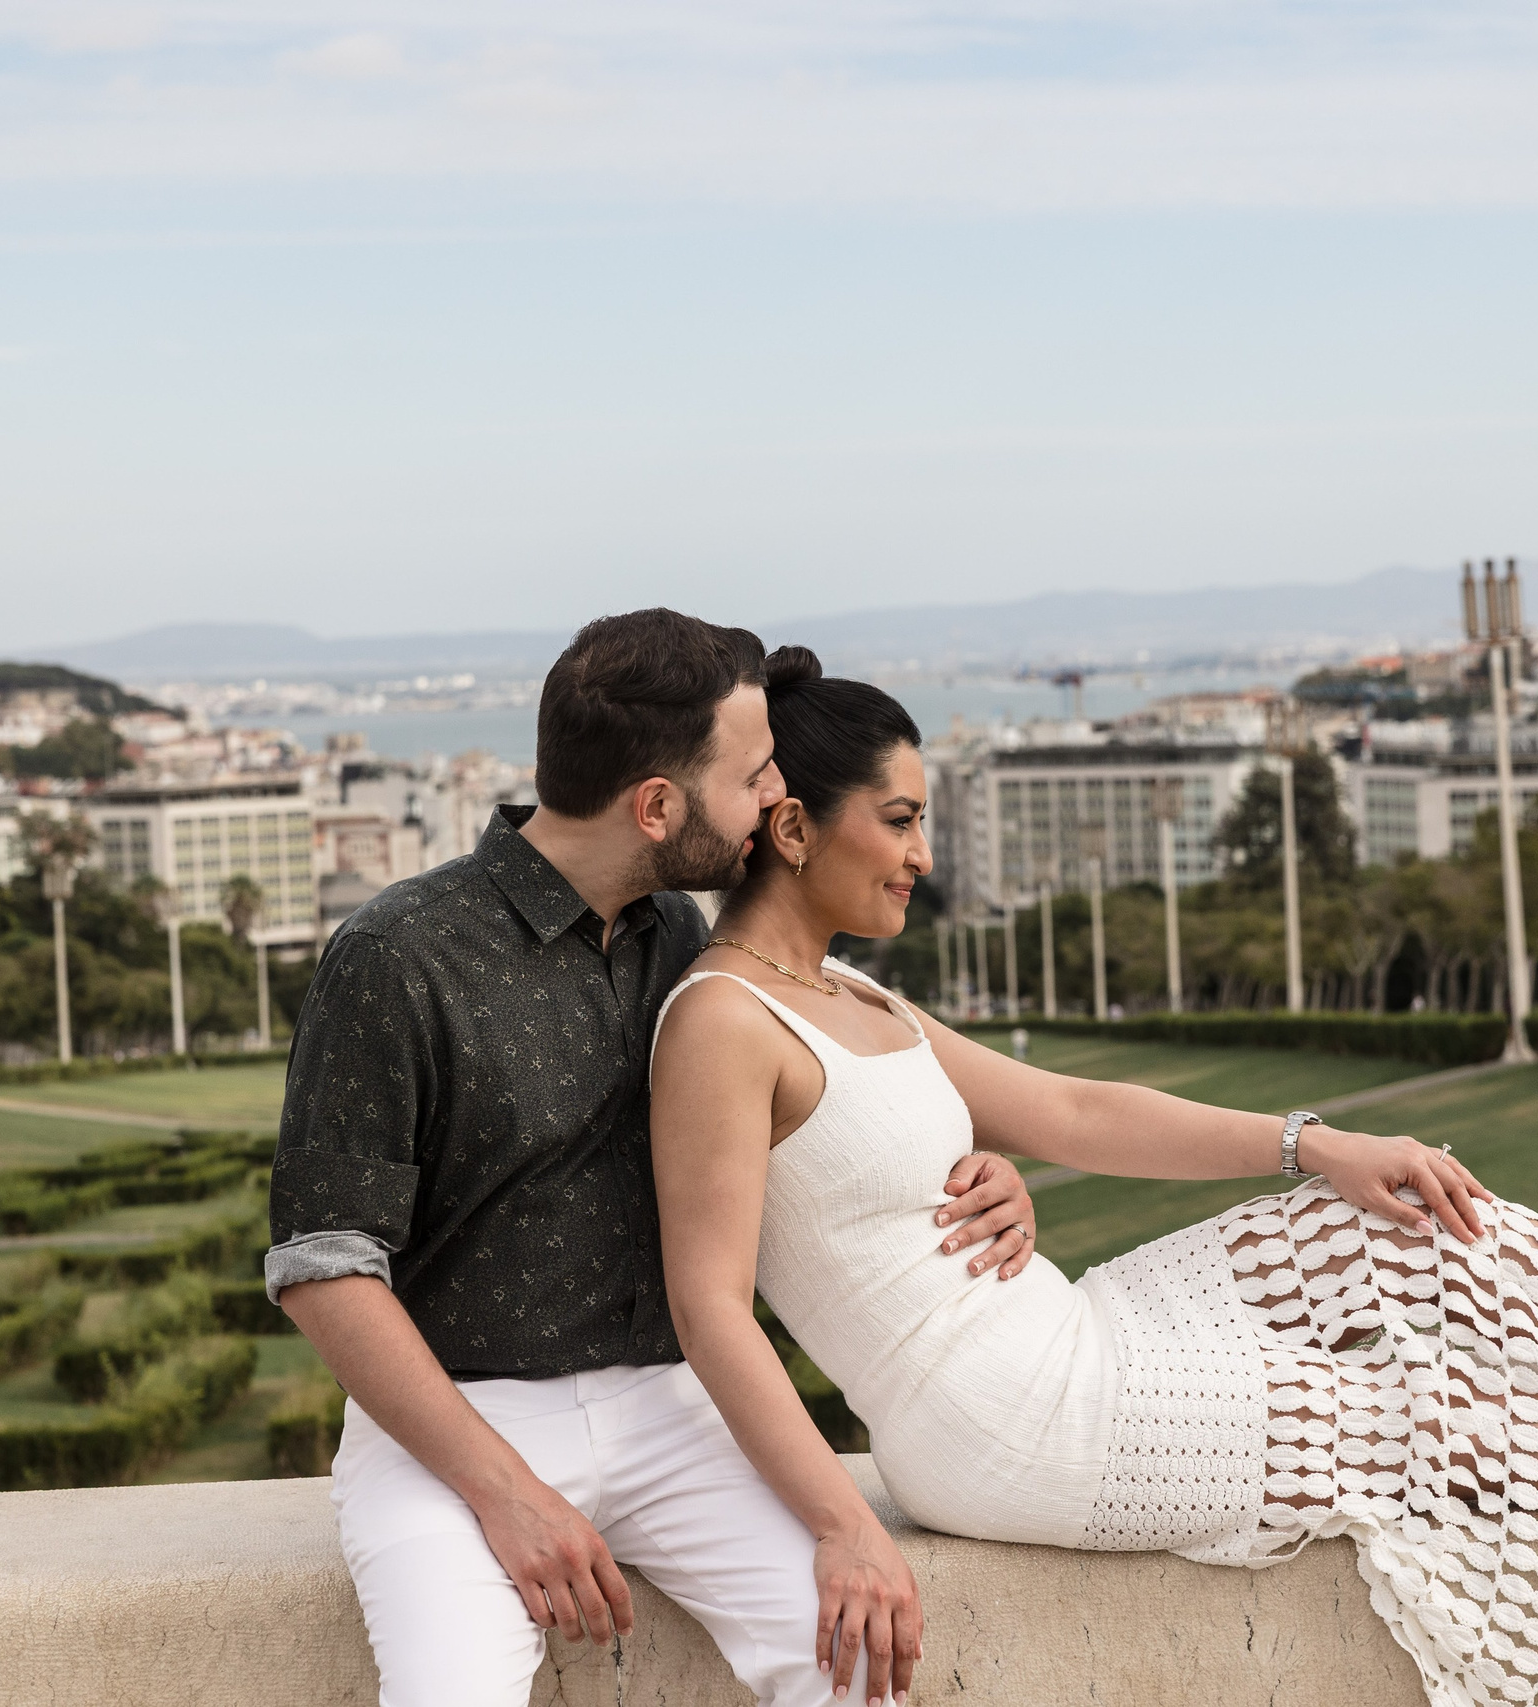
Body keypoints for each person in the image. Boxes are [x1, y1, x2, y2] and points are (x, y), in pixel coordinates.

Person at [649, 648, 1538, 1707]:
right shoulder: (724, 1020)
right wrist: (841, 1523)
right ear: (793, 829)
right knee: (1423, 1422)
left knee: (1378, 1218)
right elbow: (714, 1307)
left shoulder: (845, 989)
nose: (921, 852)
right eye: (896, 820)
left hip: (1066, 1328)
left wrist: (1317, 1140)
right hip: (1011, 1419)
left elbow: (1069, 1104)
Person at [265, 611, 1043, 1707]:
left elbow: (845, 1098)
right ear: (658, 806)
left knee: (862, 1674)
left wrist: (968, 1174)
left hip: (675, 1414)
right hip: (455, 1430)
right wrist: (505, 1492)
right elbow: (323, 1267)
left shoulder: (688, 941)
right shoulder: (394, 958)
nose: (777, 798)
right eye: (754, 774)